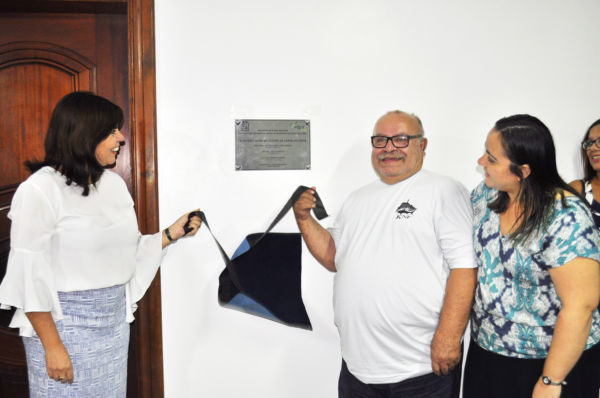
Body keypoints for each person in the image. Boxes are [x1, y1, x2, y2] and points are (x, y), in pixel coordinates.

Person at [0, 92, 202, 397]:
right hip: (62, 330)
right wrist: (52, 347)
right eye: (111, 131)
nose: (121, 137)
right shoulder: (40, 190)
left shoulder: (114, 185)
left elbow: (124, 253)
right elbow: (28, 275)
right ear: (83, 134)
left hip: (113, 328)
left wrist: (170, 234)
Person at [293, 110, 477, 398]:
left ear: (422, 145)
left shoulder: (445, 191)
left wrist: (450, 337)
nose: (389, 147)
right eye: (380, 140)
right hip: (357, 368)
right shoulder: (356, 199)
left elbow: (465, 267)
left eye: (401, 139)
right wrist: (305, 219)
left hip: (421, 367)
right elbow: (333, 256)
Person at [463, 114, 600, 398]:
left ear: (523, 171)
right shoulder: (485, 196)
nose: (481, 162)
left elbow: (580, 306)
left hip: (552, 361)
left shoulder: (566, 216)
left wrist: (551, 381)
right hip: (489, 354)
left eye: (492, 158)